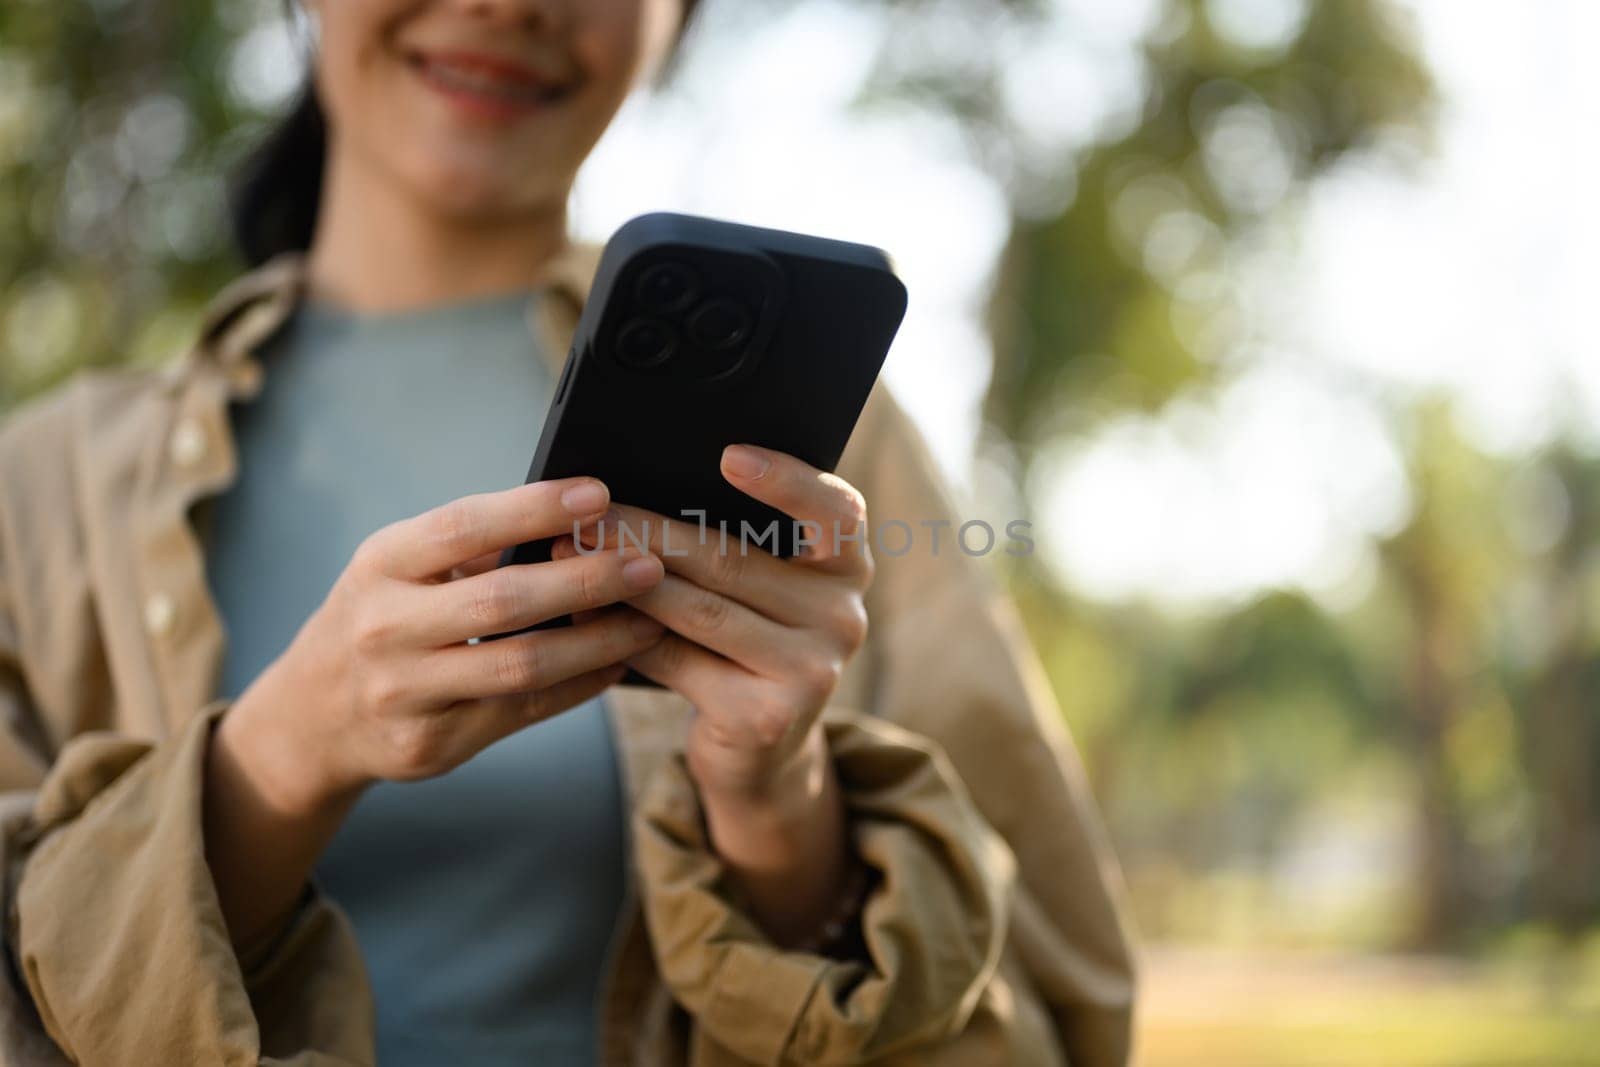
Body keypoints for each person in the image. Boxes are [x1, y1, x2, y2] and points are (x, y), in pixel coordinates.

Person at [0, 0, 1136, 1063]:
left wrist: (778, 810)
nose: (511, 4)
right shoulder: (43, 491)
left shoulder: (835, 453)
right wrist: (284, 756)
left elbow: (1044, 990)